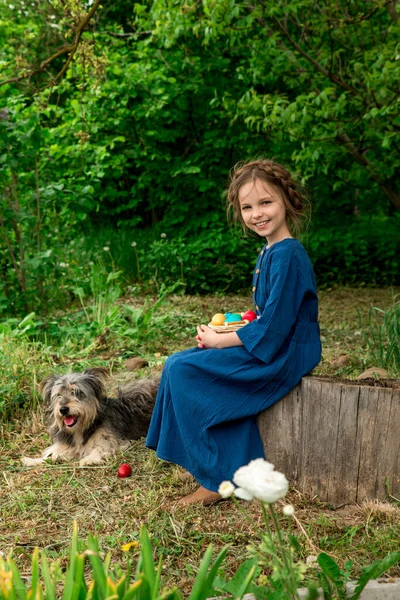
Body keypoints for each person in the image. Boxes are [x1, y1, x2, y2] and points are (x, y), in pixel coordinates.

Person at [146, 159, 322, 506]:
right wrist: (229, 327)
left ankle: (217, 477)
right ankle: (210, 460)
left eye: (265, 202)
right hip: (272, 344)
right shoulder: (270, 250)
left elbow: (273, 328)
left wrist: (220, 340)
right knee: (181, 360)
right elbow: (266, 312)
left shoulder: (289, 254)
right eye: (247, 206)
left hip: (284, 354)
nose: (257, 213)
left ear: (287, 200)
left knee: (185, 370)